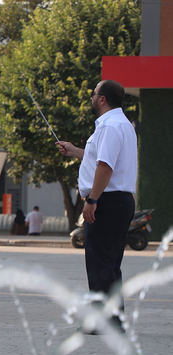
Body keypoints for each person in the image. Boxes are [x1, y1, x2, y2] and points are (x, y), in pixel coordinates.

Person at [57, 79, 137, 332]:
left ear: (102, 99)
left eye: (93, 94)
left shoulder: (110, 126)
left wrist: (92, 200)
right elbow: (100, 158)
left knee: (100, 263)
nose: (91, 98)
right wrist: (75, 151)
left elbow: (105, 166)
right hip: (119, 201)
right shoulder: (121, 124)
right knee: (110, 263)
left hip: (107, 201)